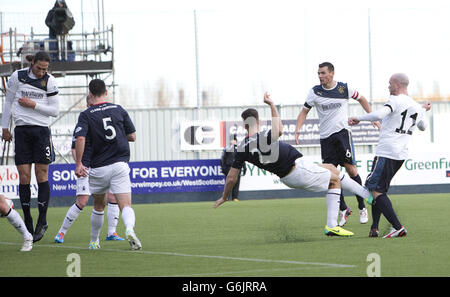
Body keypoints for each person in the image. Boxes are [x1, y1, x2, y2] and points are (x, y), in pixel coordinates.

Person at [214, 92, 374, 237]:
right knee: (334, 180)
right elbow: (279, 131)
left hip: (295, 168)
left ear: (244, 125)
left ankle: (366, 196)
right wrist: (271, 105)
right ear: (259, 121)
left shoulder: (242, 147)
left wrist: (224, 196)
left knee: (332, 169)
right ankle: (333, 224)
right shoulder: (262, 136)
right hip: (296, 170)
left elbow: (231, 177)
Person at [295, 62, 379, 226]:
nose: (320, 76)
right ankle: (343, 209)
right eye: (318, 73)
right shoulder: (314, 92)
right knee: (330, 175)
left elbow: (361, 98)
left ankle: (362, 206)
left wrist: (372, 117)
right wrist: (298, 129)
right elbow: (304, 111)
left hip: (342, 134)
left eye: (323, 73)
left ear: (332, 74)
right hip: (325, 138)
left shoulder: (344, 89)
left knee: (351, 169)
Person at [349, 73, 431, 238]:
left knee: (375, 190)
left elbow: (379, 115)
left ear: (398, 85)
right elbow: (423, 126)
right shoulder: (416, 106)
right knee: (378, 189)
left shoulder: (395, 100)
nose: (388, 86)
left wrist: (358, 118)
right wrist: (422, 110)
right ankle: (374, 227)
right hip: (400, 154)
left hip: (387, 151)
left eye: (390, 83)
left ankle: (397, 227)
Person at [74, 79, 141, 250]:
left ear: (90, 94)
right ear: (106, 92)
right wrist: (119, 135)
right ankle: (129, 229)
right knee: (125, 205)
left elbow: (80, 138)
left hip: (98, 167)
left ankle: (94, 241)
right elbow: (132, 136)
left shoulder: (86, 114)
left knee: (98, 205)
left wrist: (79, 163)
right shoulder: (118, 109)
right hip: (120, 164)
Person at [2, 51, 59, 242]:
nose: (42, 72)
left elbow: (55, 111)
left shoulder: (49, 81)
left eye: (45, 69)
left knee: (41, 175)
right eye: (39, 68)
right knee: (24, 176)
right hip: (22, 131)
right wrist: (4, 127)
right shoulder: (17, 77)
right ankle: (27, 219)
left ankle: (42, 221)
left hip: (42, 132)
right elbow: (8, 102)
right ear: (31, 63)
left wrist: (33, 104)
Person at [54, 95, 124, 244]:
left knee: (112, 197)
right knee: (82, 201)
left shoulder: (99, 121)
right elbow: (75, 147)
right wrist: (79, 164)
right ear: (88, 103)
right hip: (87, 167)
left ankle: (112, 232)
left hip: (103, 166)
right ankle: (61, 232)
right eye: (91, 102)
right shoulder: (84, 120)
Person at [220, 134, 246, 202]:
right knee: (228, 183)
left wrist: (244, 167)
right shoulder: (227, 148)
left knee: (236, 183)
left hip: (237, 168)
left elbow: (242, 158)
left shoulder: (239, 148)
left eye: (234, 140)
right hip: (229, 168)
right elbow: (223, 159)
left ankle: (235, 197)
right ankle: (226, 197)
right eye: (232, 140)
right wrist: (223, 168)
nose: (233, 141)